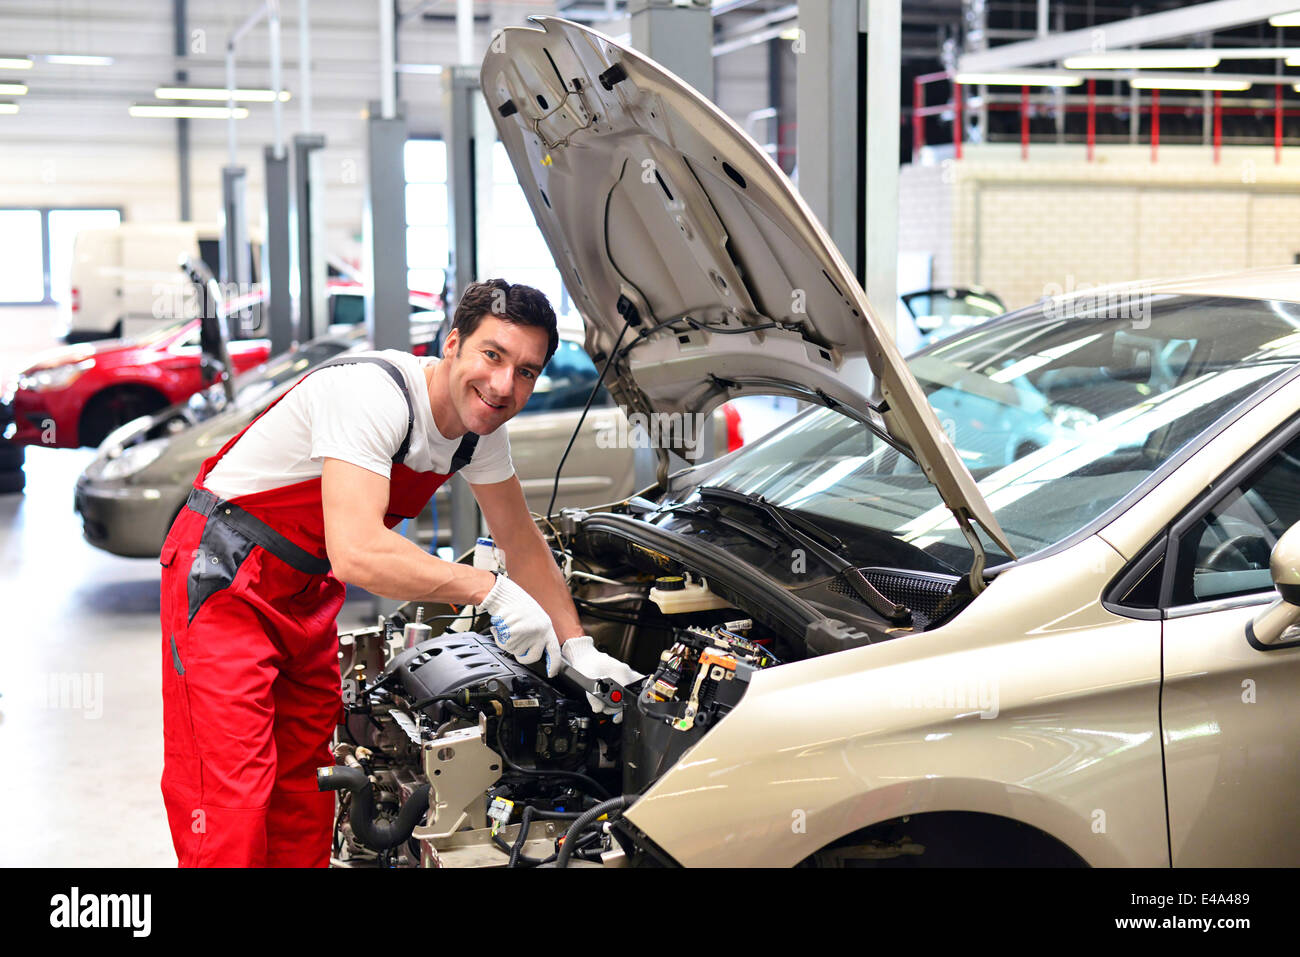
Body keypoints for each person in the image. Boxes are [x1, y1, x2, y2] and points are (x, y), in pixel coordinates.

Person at [158, 279, 638, 867]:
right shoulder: (373, 395)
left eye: (527, 372)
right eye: (493, 355)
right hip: (227, 575)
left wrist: (576, 643)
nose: (504, 385)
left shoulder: (478, 433)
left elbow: (521, 540)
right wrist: (492, 592)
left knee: (303, 786)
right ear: (453, 343)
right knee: (231, 796)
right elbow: (358, 552)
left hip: (305, 591)